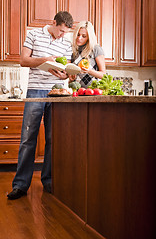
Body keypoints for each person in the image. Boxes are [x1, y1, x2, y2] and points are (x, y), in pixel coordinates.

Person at [7, 11, 74, 200]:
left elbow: (67, 69)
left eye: (65, 33)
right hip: (35, 91)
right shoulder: (34, 35)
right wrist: (45, 60)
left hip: (58, 93)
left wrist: (65, 75)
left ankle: (49, 182)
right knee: (28, 139)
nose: (62, 35)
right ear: (54, 22)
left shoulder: (66, 42)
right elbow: (23, 60)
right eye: (60, 31)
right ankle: (20, 185)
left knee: (54, 140)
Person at [68, 21, 106, 87]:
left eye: (84, 36)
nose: (79, 38)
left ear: (89, 37)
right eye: (78, 34)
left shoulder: (96, 49)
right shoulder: (72, 50)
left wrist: (89, 71)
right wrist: (71, 77)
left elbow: (103, 75)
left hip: (93, 91)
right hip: (77, 92)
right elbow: (72, 77)